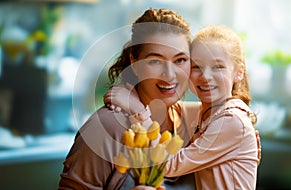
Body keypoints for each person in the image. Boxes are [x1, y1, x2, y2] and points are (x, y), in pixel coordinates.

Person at [105, 25, 260, 189]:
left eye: (218, 67)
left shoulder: (232, 121)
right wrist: (134, 95)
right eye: (196, 67)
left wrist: (138, 110)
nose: (206, 76)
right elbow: (171, 106)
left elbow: (169, 165)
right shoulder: (208, 112)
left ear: (239, 72)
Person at [59, 8, 197, 190]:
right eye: (155, 61)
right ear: (134, 63)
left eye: (180, 60)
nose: (169, 75)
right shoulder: (106, 127)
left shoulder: (196, 122)